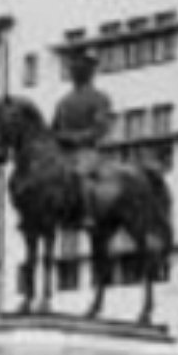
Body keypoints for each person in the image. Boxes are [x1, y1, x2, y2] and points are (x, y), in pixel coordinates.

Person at [51, 46, 115, 235]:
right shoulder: (63, 102)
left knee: (80, 174)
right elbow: (54, 129)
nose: (74, 72)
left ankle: (88, 213)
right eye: (73, 68)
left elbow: (101, 128)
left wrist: (76, 138)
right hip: (63, 153)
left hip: (87, 151)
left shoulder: (99, 98)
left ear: (89, 72)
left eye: (79, 68)